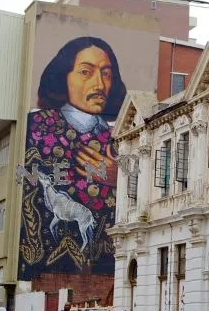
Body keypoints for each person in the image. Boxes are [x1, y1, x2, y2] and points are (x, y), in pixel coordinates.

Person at [17, 36, 128, 281]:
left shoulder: (122, 135)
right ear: (62, 77)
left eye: (107, 74)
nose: (99, 84)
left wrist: (116, 177)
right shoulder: (37, 126)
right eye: (86, 72)